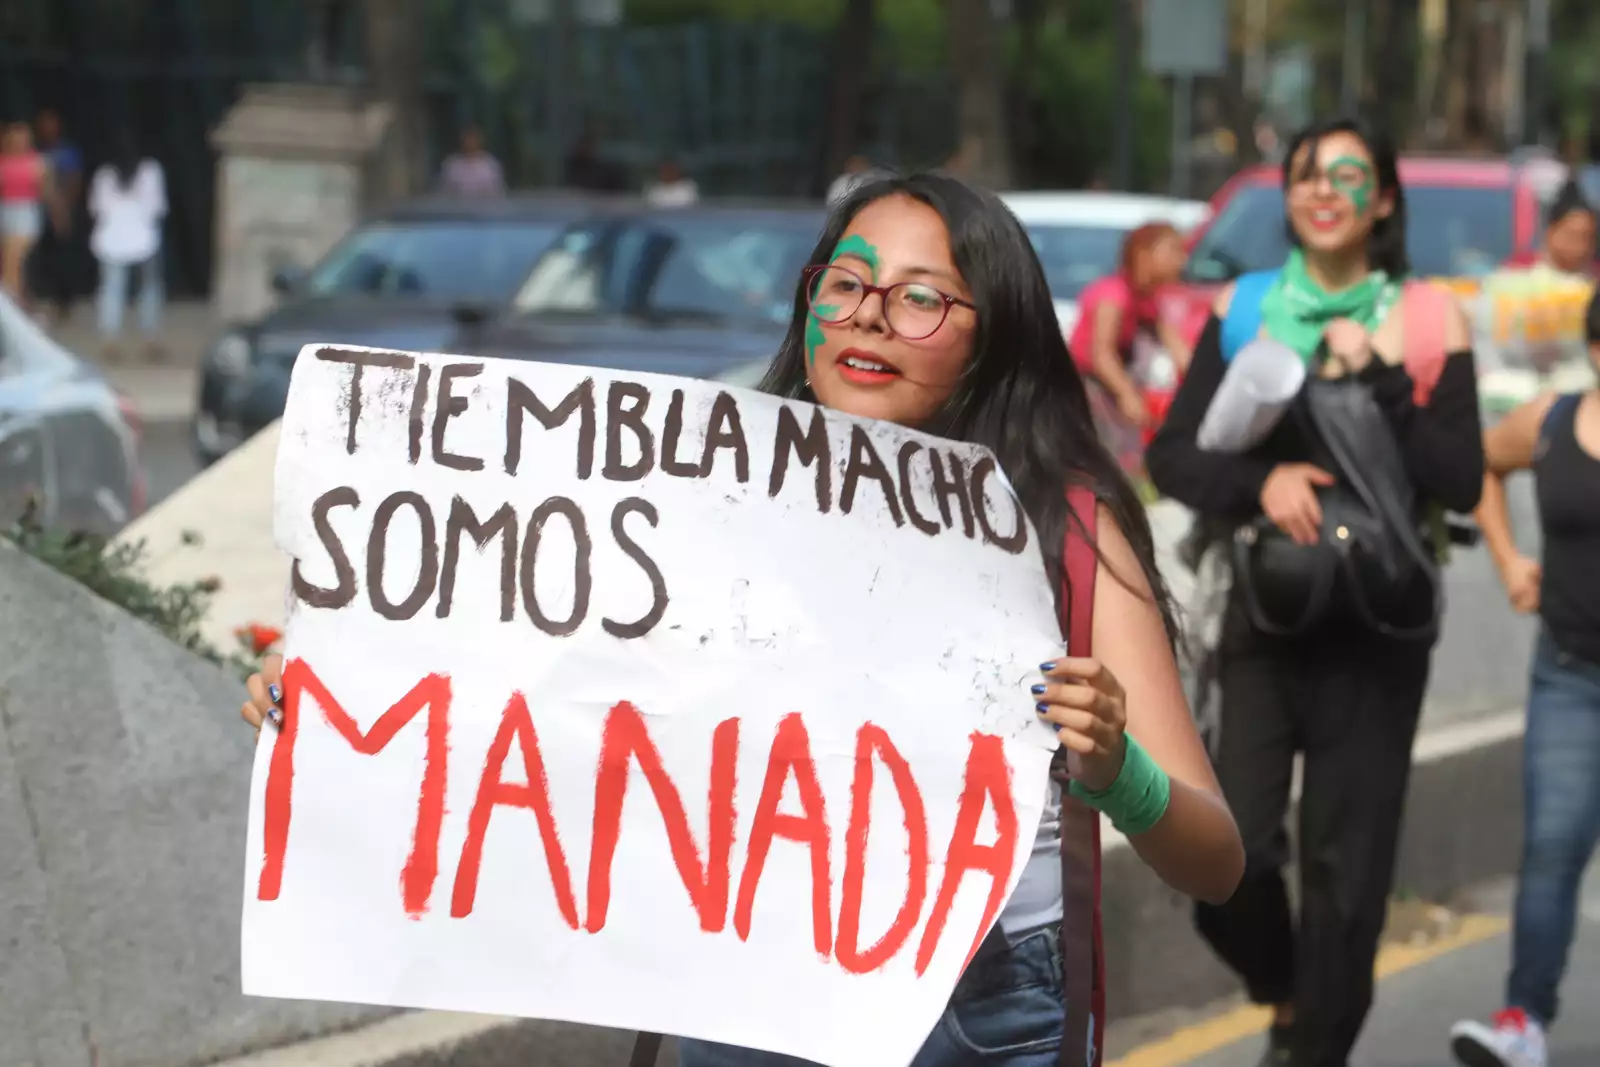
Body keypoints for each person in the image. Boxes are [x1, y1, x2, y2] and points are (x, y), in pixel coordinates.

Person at [238, 172, 1246, 1066]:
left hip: (988, 1010)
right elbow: (539, 726)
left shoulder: (1066, 530)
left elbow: (1214, 856)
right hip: (753, 995)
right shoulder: (699, 514)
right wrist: (339, 709)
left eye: (922, 298)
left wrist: (1120, 769)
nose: (869, 317)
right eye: (844, 285)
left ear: (996, 339)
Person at [1146, 117, 1485, 1067]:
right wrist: (1262, 482)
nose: (1324, 189)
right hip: (1264, 616)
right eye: (1306, 175)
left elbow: (1459, 476)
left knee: (1350, 879)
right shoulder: (1247, 309)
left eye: (1347, 175)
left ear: (1382, 199)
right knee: (1231, 851)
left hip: (1380, 627)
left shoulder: (1427, 317)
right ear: (1288, 196)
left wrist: (1378, 378)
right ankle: (1285, 990)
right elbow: (1171, 457)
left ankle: (1314, 1051)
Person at [1447, 291, 1600, 1067]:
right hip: (1571, 675)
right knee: (1551, 846)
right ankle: (1523, 1022)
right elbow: (1480, 463)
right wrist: (1509, 559)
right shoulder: (1549, 420)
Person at [1068, 222, 1192, 472]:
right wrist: (1127, 395)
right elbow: (1101, 354)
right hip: (1084, 389)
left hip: (1109, 388)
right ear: (1143, 254)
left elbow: (1177, 347)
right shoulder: (1113, 294)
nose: (1182, 260)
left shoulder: (1145, 298)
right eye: (1173, 251)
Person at [88, 137, 167, 358]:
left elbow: (97, 208)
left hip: (110, 239)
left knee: (111, 290)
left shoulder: (104, 175)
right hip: (145, 240)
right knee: (149, 289)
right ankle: (149, 339)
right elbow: (157, 207)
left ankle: (110, 340)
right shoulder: (151, 171)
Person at [29, 107, 86, 324]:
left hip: (62, 212)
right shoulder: (35, 151)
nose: (47, 128)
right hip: (36, 212)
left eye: (51, 123)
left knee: (63, 258)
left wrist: (64, 209)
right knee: (37, 258)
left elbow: (75, 180)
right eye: (44, 124)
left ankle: (64, 301)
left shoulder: (67, 151)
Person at [1504, 178, 1596, 276]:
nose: (1578, 246)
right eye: (1570, 236)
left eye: (1585, 238)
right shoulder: (1518, 271)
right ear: (1551, 231)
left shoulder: (1594, 277)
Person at [0, 121, 48, 304]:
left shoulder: (37, 161)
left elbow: (44, 192)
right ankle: (14, 303)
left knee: (15, 260)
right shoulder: (2, 160)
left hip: (26, 211)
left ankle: (12, 305)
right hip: (5, 210)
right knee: (8, 263)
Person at [437, 123, 505, 198]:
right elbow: (444, 195)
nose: (470, 143)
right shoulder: (452, 166)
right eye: (467, 139)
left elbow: (498, 194)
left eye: (473, 140)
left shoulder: (490, 165)